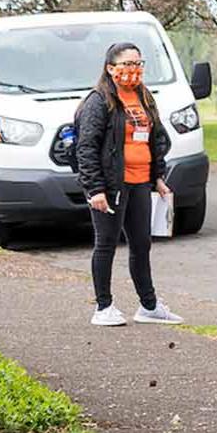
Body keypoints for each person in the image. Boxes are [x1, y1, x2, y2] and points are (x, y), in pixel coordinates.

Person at [76, 42, 182, 326]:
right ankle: (103, 307)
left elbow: (156, 139)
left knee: (141, 244)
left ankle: (149, 306)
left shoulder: (143, 97)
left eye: (138, 64)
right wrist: (95, 189)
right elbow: (86, 148)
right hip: (111, 187)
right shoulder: (98, 102)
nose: (133, 70)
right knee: (106, 244)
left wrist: (158, 177)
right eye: (127, 64)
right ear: (111, 69)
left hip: (139, 184)